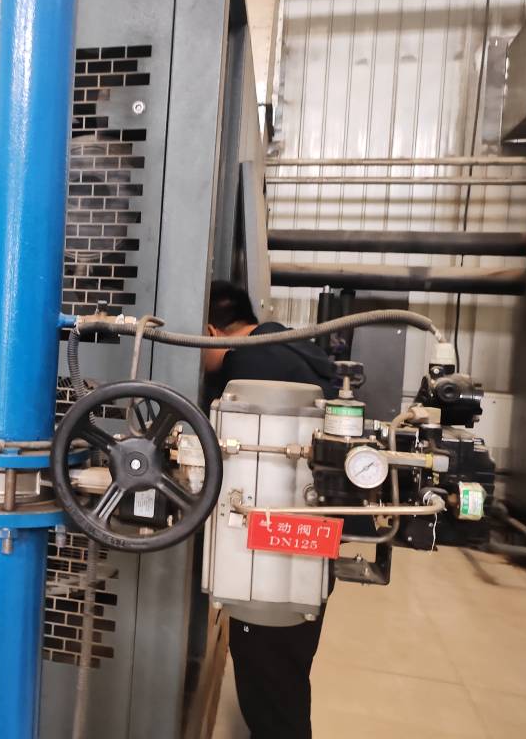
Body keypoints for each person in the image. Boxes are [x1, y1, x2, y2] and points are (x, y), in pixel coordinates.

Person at [201, 281, 337, 739]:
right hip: (310, 543)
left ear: (210, 332)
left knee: (270, 691)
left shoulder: (248, 367)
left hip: (271, 560)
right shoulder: (289, 345)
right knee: (287, 674)